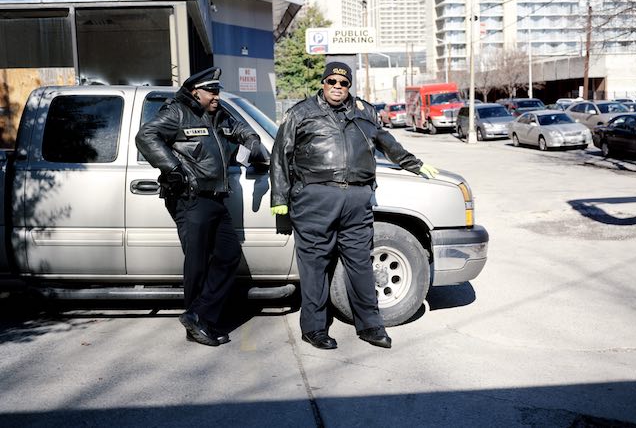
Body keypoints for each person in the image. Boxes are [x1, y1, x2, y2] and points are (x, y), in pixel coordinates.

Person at [270, 61, 438, 350]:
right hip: (315, 199)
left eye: (343, 83)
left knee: (361, 265)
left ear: (349, 86)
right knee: (315, 267)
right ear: (323, 83)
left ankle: (371, 326)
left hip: (357, 202)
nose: (337, 87)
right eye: (332, 82)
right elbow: (280, 156)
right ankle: (314, 328)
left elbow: (388, 144)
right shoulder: (301, 113)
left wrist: (415, 165)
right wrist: (279, 199)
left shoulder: (366, 113)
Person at [136, 67, 263, 347]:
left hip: (216, 198)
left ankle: (198, 316)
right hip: (190, 197)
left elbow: (242, 130)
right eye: (212, 91)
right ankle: (198, 324)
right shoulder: (177, 112)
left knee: (229, 256)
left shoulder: (217, 114)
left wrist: (251, 142)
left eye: (218, 90)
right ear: (196, 92)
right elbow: (146, 136)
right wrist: (172, 168)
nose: (217, 96)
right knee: (197, 264)